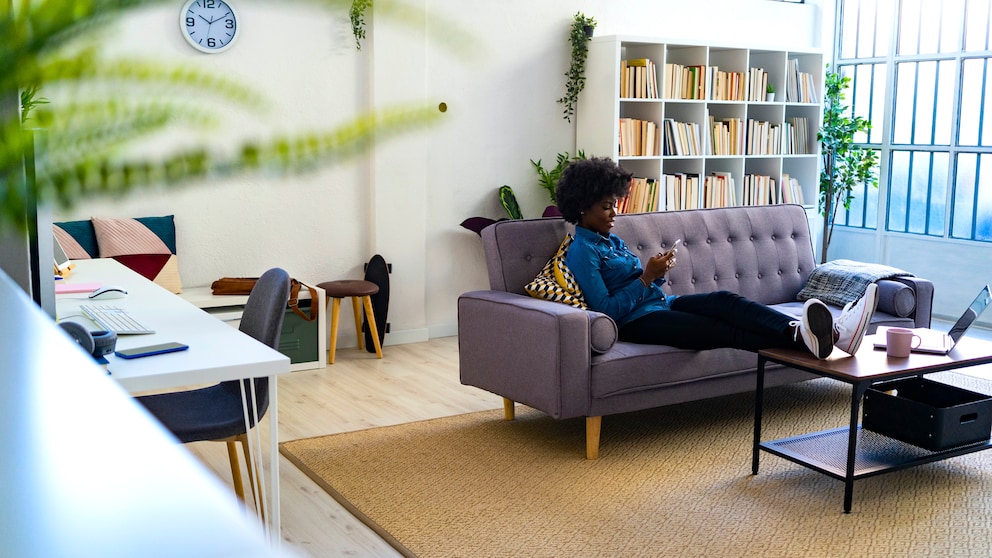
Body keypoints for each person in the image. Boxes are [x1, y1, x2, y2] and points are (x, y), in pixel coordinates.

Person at [555, 157, 878, 359]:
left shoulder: (609, 238)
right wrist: (647, 277)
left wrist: (660, 270)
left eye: (615, 203)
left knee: (726, 301)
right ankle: (828, 339)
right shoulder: (581, 251)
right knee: (719, 328)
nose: (615, 213)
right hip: (635, 323)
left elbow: (644, 282)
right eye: (606, 207)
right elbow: (605, 309)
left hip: (660, 303)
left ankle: (802, 332)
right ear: (583, 207)